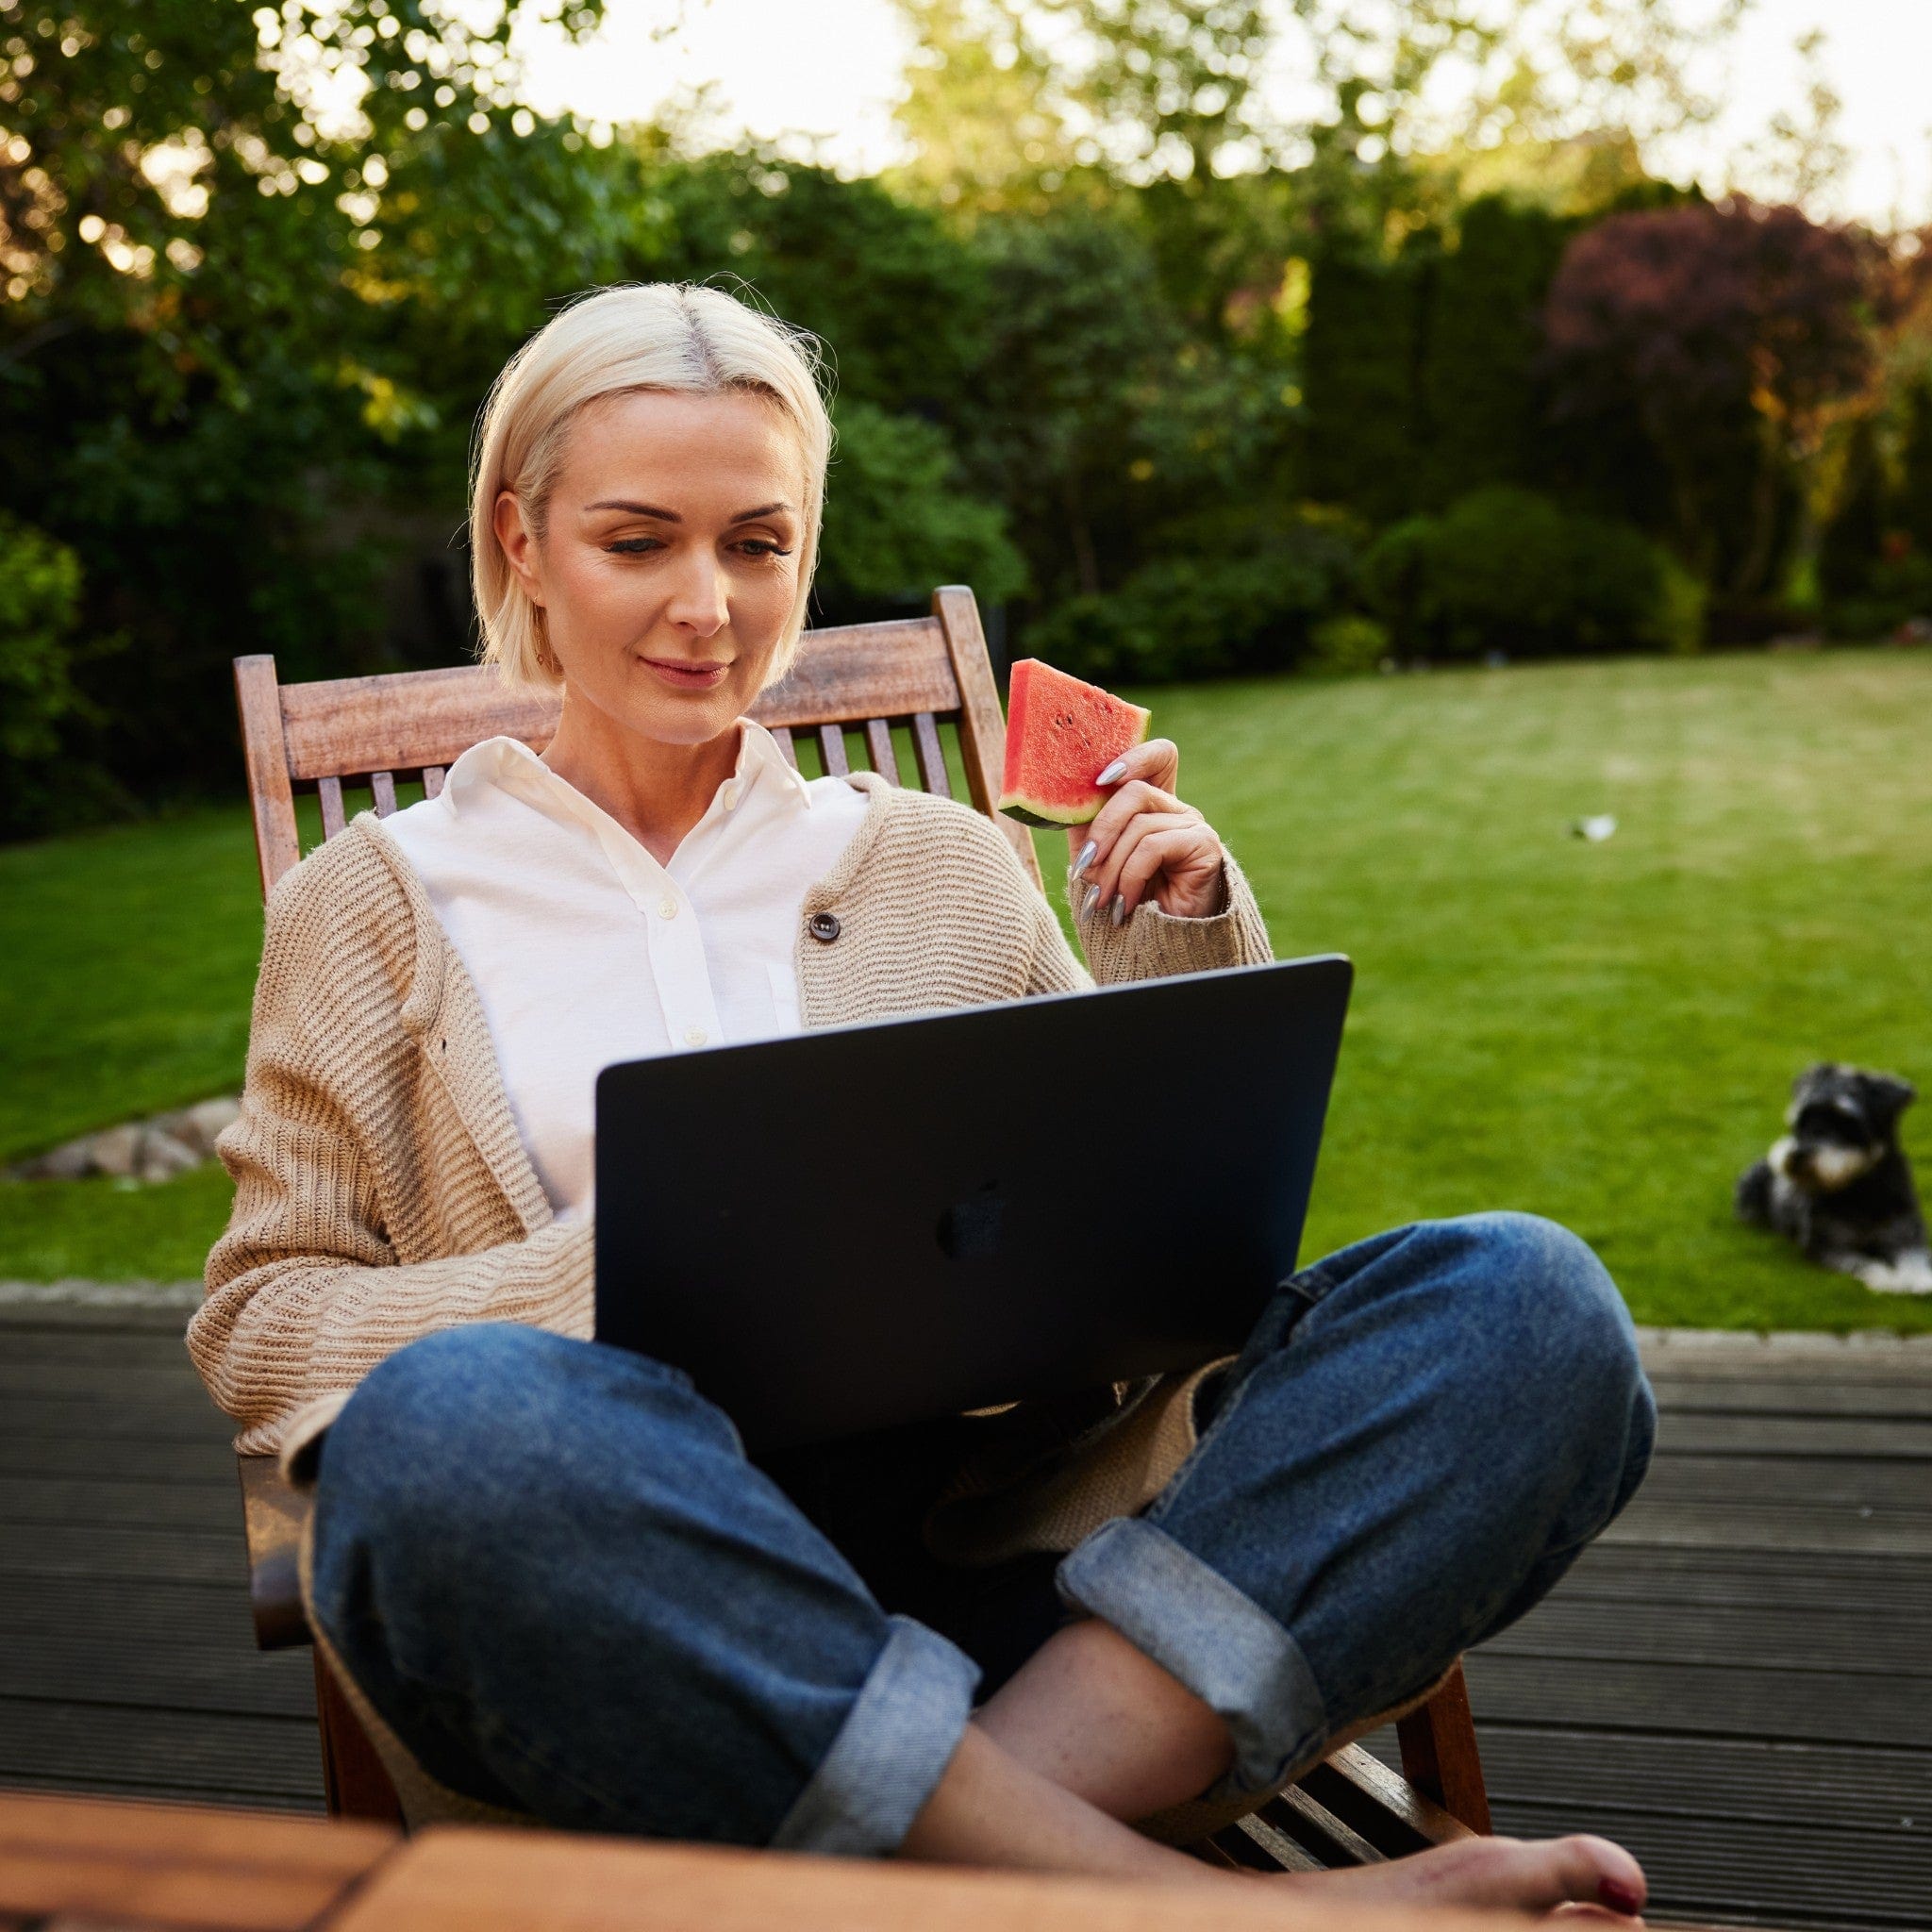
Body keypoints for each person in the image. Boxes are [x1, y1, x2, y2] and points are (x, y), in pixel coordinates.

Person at [189, 281, 1656, 1917]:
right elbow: (267, 1322)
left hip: (1040, 1578)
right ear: (521, 542)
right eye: (637, 541)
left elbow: (1154, 1256)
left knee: (1527, 1305)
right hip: (631, 1600)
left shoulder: (941, 859)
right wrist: (620, 1277)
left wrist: (1175, 947)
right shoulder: (375, 901)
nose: (708, 605)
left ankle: (959, 1868)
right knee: (458, 1434)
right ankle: (1192, 1906)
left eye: (758, 543)